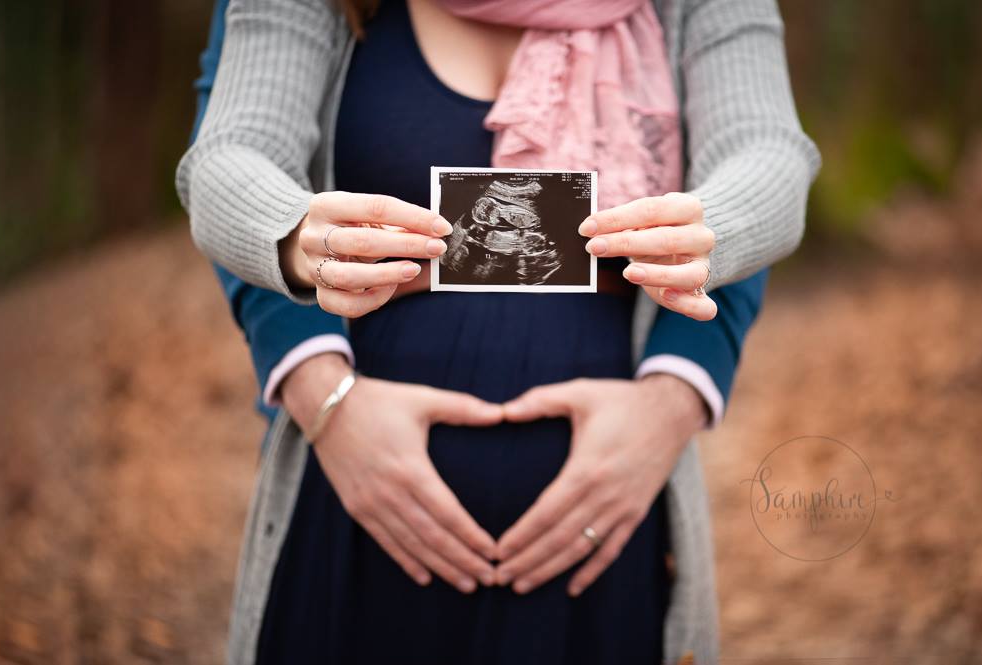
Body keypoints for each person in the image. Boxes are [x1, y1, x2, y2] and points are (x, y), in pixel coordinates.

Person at [179, 0, 819, 663]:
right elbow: (229, 153)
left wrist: (670, 399)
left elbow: (766, 150)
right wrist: (291, 251)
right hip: (356, 514)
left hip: (604, 550)